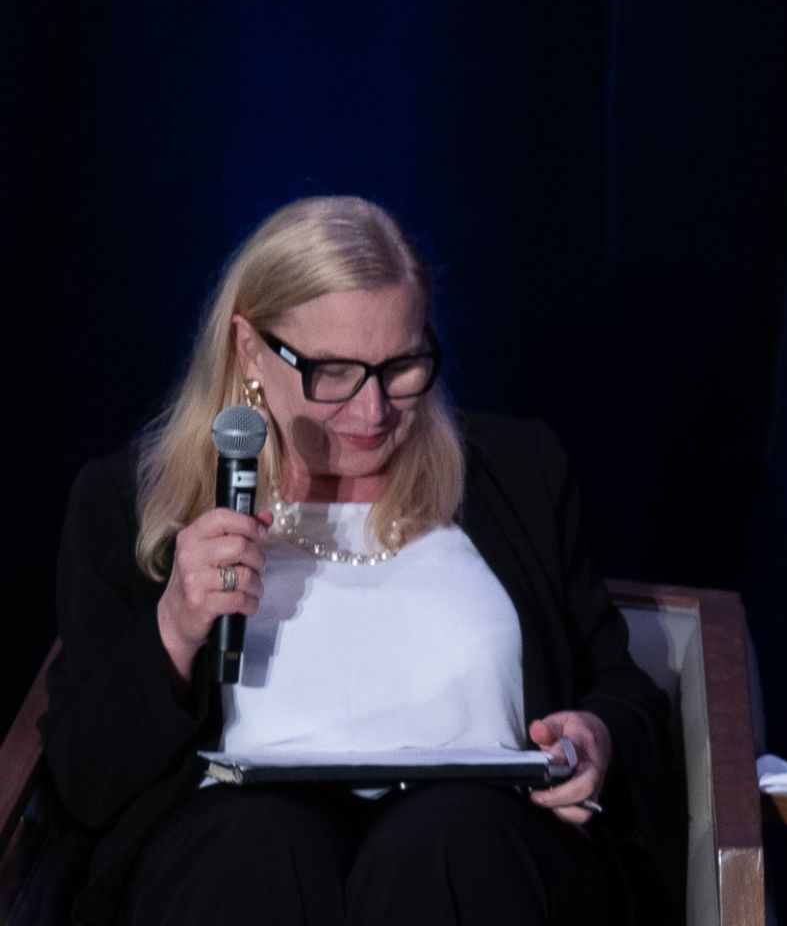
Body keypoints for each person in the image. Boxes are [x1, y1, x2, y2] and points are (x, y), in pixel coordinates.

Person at [42, 197, 674, 925]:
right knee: (259, 844)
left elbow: (621, 693)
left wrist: (595, 740)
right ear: (249, 348)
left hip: (484, 855)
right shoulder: (129, 501)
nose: (373, 411)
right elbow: (82, 780)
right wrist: (175, 632)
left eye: (402, 367)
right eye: (334, 372)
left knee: (445, 839)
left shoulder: (519, 472)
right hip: (235, 861)